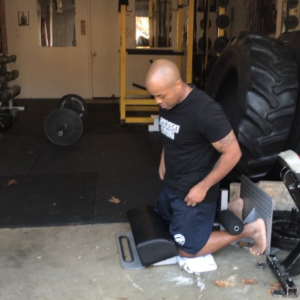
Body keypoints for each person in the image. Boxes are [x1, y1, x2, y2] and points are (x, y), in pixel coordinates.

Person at [145, 59, 267, 259]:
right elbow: (172, 131)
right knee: (162, 222)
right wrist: (163, 156)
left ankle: (251, 230)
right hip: (173, 185)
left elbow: (233, 152)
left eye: (160, 95)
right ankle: (229, 210)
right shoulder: (168, 101)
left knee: (187, 249)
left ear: (178, 84)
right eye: (154, 96)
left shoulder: (205, 111)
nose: (158, 101)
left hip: (194, 193)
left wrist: (203, 187)